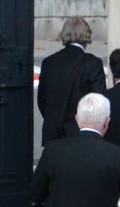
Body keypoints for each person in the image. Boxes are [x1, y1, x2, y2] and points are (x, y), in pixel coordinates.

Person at [37, 16, 106, 146]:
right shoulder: (93, 63)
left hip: (53, 133)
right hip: (82, 134)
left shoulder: (49, 62)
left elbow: (42, 100)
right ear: (86, 35)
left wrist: (53, 119)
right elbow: (99, 100)